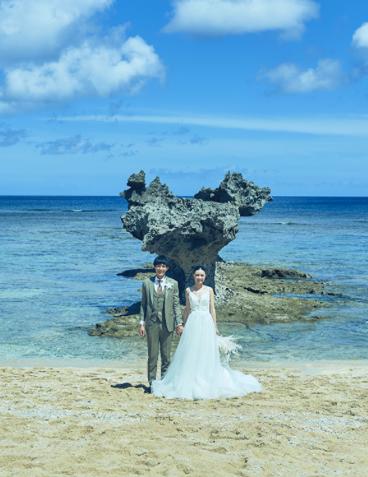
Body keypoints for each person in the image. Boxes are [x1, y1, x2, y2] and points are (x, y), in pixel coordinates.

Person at [151, 265, 262, 400]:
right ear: (193, 276)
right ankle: (191, 378)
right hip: (192, 323)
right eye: (197, 275)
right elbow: (187, 309)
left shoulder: (209, 290)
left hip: (206, 322)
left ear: (205, 277)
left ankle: (206, 378)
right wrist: (182, 325)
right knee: (191, 351)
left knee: (206, 350)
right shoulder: (188, 290)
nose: (199, 277)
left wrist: (215, 327)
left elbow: (212, 309)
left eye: (202, 275)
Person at [139, 255, 183, 389]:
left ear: (167, 268)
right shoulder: (147, 283)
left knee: (166, 356)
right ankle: (152, 383)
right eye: (158, 266)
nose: (161, 268)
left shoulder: (173, 283)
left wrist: (179, 323)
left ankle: (164, 383)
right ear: (154, 267)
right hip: (151, 323)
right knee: (152, 355)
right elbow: (143, 304)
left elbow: (176, 304)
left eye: (163, 266)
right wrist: (141, 323)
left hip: (167, 324)